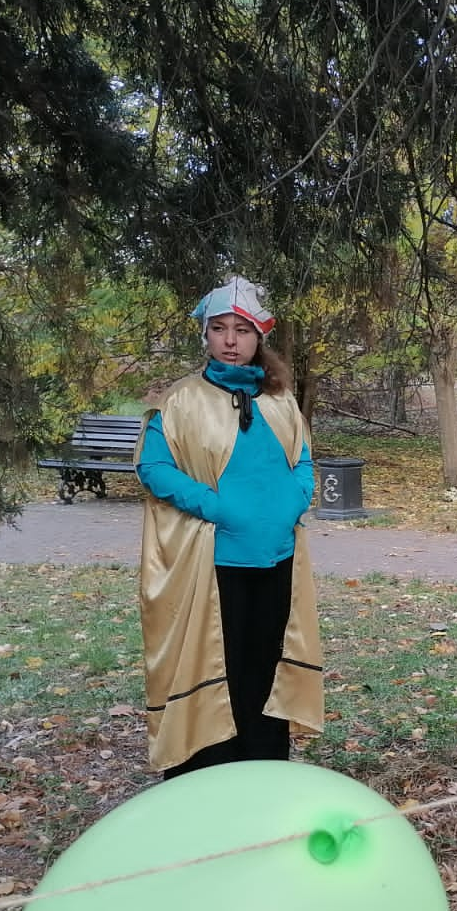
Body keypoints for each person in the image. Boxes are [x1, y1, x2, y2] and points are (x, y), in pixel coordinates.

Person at [136, 276, 324, 778]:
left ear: (258, 337)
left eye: (241, 330)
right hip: (213, 561)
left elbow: (303, 458)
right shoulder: (180, 401)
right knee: (218, 664)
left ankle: (262, 768)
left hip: (276, 556)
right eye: (219, 329)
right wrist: (216, 507)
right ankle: (209, 772)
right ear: (206, 335)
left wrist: (295, 501)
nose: (230, 340)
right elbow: (153, 467)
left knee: (264, 666)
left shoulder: (279, 398)